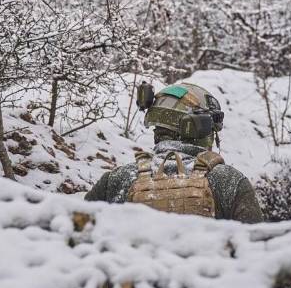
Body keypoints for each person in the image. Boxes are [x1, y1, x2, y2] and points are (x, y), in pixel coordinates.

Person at [85, 82, 263, 223]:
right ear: (199, 128)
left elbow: (77, 244)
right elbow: (254, 254)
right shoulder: (229, 181)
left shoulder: (117, 180)